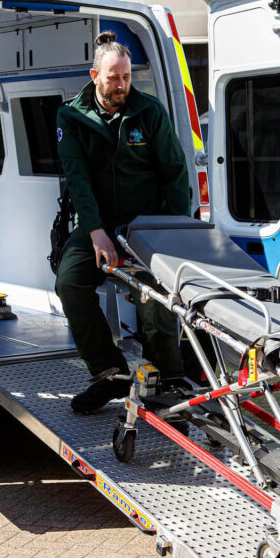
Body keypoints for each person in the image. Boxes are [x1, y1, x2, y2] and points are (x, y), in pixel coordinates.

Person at [56, 31, 190, 413]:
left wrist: (172, 234)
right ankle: (109, 374)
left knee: (155, 297)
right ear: (95, 75)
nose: (121, 85)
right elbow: (78, 179)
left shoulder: (149, 112)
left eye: (127, 77)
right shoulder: (71, 115)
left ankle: (165, 383)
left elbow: (175, 174)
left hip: (145, 226)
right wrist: (96, 231)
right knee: (69, 282)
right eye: (113, 77)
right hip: (97, 223)